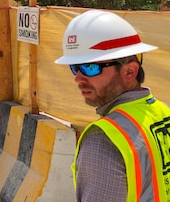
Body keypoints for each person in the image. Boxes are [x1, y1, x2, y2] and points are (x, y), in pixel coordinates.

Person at [54, 10, 170, 201]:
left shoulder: (103, 139)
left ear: (130, 71)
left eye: (90, 67)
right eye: (75, 67)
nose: (77, 78)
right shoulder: (163, 112)